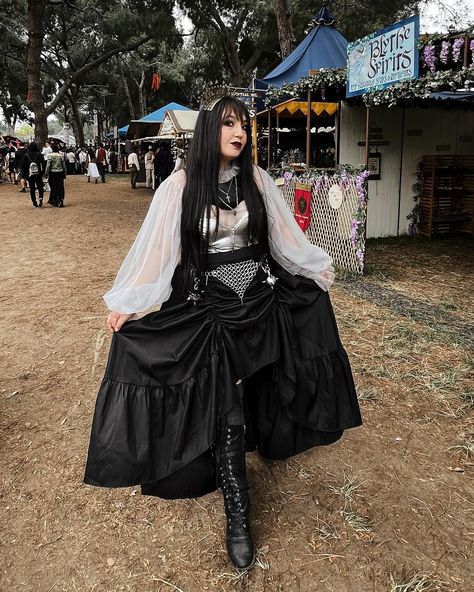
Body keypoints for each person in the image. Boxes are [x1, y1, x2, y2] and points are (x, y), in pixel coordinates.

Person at [84, 96, 361, 571]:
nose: (239, 133)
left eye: (245, 126)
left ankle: (264, 446)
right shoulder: (180, 187)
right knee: (227, 402)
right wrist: (131, 306)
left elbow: (283, 240)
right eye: (229, 123)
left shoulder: (257, 180)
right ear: (211, 128)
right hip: (209, 310)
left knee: (272, 369)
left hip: (260, 301)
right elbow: (159, 253)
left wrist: (313, 270)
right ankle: (238, 513)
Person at [21, 142, 46, 207]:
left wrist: (24, 176)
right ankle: (40, 198)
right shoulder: (39, 155)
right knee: (40, 187)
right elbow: (43, 164)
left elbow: (23, 166)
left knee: (32, 188)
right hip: (38, 174)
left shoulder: (26, 155)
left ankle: (34, 201)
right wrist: (43, 172)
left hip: (30, 174)